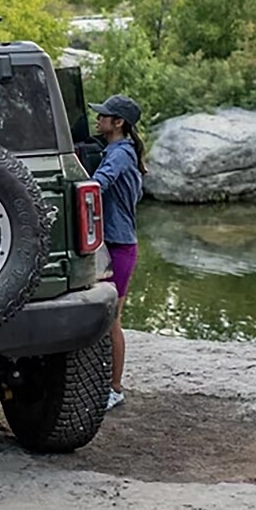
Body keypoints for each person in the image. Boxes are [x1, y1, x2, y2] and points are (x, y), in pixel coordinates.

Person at [88, 93, 146, 412]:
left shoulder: (120, 154)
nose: (98, 120)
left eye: (103, 116)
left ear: (118, 123)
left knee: (112, 318)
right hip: (112, 244)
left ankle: (115, 388)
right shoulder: (116, 150)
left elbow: (98, 185)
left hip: (120, 247)